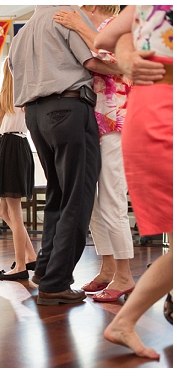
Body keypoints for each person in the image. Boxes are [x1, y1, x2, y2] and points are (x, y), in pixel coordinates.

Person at [8, 6, 121, 306]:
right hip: (69, 108)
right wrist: (127, 68)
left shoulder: (21, 33)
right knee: (79, 196)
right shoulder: (66, 15)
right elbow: (93, 61)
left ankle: (45, 271)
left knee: (58, 194)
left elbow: (13, 73)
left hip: (34, 115)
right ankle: (56, 282)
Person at [95, 4, 172, 359]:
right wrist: (127, 59)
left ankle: (125, 321)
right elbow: (107, 38)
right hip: (161, 112)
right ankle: (126, 318)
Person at [54, 6, 137, 302]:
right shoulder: (84, 23)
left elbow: (119, 61)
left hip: (118, 120)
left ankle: (125, 275)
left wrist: (80, 26)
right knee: (91, 201)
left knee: (112, 198)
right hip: (90, 121)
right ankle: (107, 268)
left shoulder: (121, 24)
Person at [0, 58, 37, 281]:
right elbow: (4, 122)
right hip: (19, 145)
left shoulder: (9, 92)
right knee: (4, 211)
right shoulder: (27, 92)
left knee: (12, 211)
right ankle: (31, 256)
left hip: (9, 148)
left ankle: (20, 265)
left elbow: (0, 125)